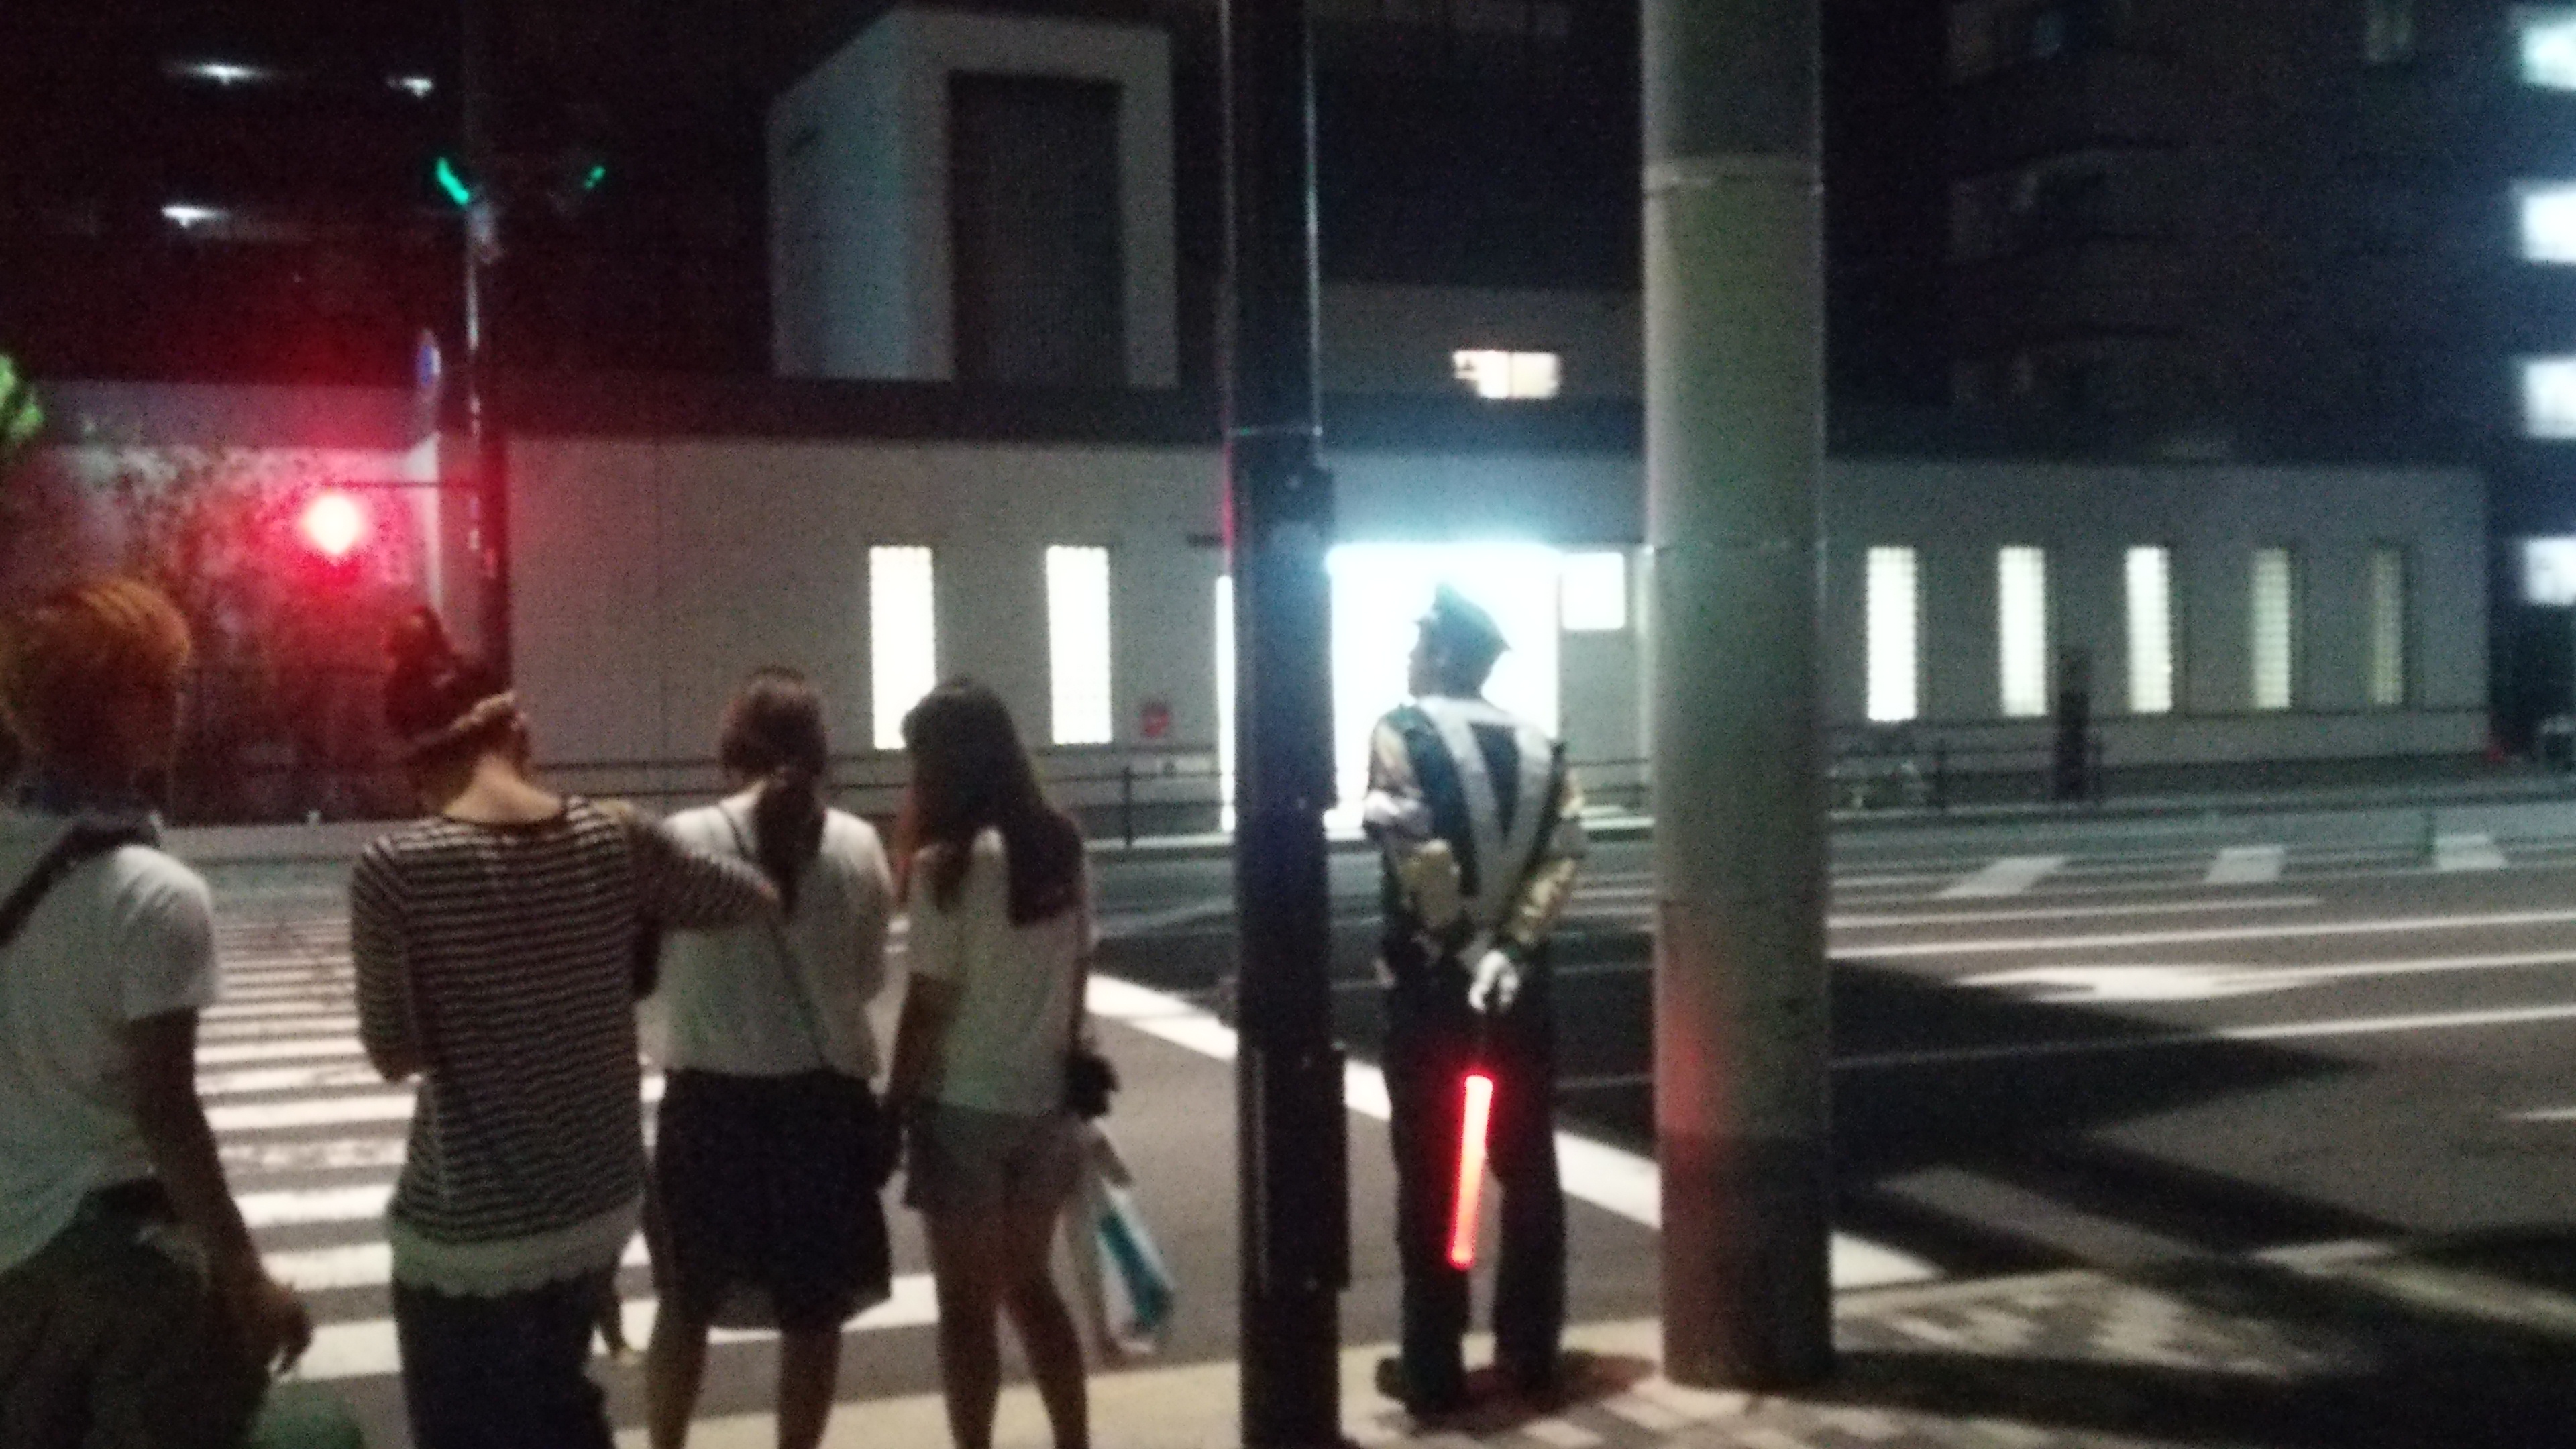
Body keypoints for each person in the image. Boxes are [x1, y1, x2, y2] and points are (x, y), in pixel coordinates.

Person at [350, 610, 775, 1449]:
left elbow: (394, 1053)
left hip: (471, 1230)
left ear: (417, 764)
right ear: (519, 732)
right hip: (594, 1207)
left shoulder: (394, 871)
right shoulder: (611, 835)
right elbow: (749, 898)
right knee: (559, 1401)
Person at [0, 576, 312, 1447]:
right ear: (123, 708)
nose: (180, 707)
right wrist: (243, 1276)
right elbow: (165, 1111)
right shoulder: (154, 894)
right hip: (117, 1269)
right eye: (168, 686)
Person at [645, 667, 897, 1449]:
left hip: (708, 1111)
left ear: (732, 748)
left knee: (685, 1304)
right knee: (813, 1316)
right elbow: (866, 979)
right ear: (819, 750)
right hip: (820, 1113)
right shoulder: (857, 844)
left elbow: (648, 973)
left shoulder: (682, 838)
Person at [1363, 586, 1586, 1417]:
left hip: (1431, 992)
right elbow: (1564, 858)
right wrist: (1513, 949)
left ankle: (1434, 1366)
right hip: (1520, 993)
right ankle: (1531, 1350)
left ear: (1446, 653)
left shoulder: (1402, 731)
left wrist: (1464, 945)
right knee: (1528, 1168)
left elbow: (1413, 850)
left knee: (1431, 1173)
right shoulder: (1540, 746)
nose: (1411, 654)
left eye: (1421, 641)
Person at [887, 680, 1094, 1449]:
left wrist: (894, 1103)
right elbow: (1078, 972)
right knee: (1032, 1287)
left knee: (967, 1312)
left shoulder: (949, 866)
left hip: (963, 1111)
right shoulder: (1060, 848)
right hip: (1044, 1104)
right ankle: (1073, 1439)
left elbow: (929, 1004)